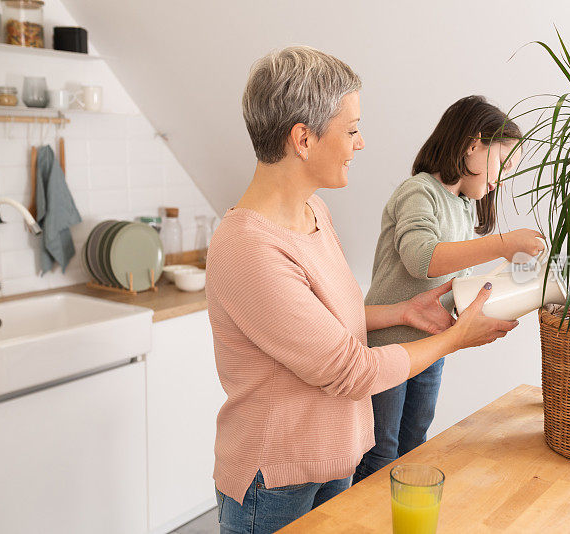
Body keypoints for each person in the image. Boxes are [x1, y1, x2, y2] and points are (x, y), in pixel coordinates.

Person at [206, 48, 519, 534]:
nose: (361, 143)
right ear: (303, 139)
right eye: (351, 129)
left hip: (335, 460)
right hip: (275, 482)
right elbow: (349, 372)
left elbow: (335, 317)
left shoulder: (315, 214)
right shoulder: (248, 249)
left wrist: (403, 311)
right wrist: (457, 338)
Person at [353, 96, 545, 484]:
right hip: (390, 344)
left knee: (414, 445)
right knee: (380, 453)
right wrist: (502, 243)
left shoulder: (464, 207)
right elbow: (421, 259)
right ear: (473, 145)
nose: (501, 180)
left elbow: (452, 283)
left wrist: (511, 276)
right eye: (502, 163)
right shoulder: (418, 191)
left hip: (432, 346)